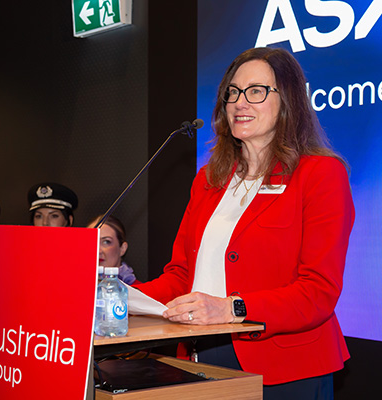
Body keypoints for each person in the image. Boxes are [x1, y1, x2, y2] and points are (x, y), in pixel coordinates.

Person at [135, 47, 355, 399]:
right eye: (233, 92)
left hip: (286, 369)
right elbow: (180, 276)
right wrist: (119, 299)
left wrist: (231, 308)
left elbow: (318, 292)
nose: (240, 102)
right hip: (199, 355)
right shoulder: (207, 179)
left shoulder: (320, 175)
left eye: (256, 91)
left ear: (289, 101)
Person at [87, 215, 138, 285]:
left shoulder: (139, 292)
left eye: (106, 242)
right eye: (92, 241)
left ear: (122, 248)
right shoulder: (73, 288)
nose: (98, 251)